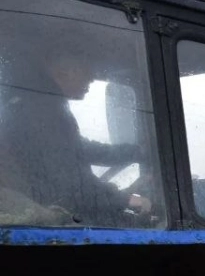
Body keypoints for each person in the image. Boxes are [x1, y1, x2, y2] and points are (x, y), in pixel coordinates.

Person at [0, 50, 149, 223]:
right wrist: (125, 200)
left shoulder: (41, 107)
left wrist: (136, 152)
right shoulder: (39, 112)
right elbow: (68, 180)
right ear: (62, 71)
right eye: (86, 69)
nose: (92, 78)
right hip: (52, 217)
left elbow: (78, 148)